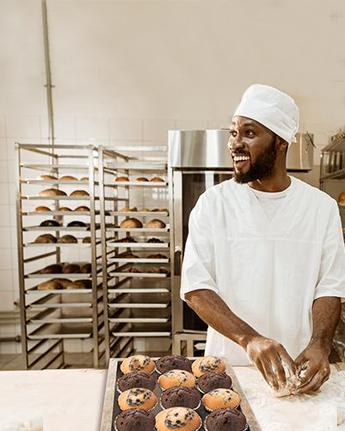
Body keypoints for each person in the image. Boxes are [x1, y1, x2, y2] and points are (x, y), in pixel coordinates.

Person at [180, 84, 345, 395]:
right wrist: (249, 339)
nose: (235, 144)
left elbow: (330, 286)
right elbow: (196, 288)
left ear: (280, 142)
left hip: (298, 370)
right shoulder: (214, 204)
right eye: (233, 133)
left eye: (249, 133)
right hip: (230, 372)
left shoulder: (320, 208)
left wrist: (320, 344)